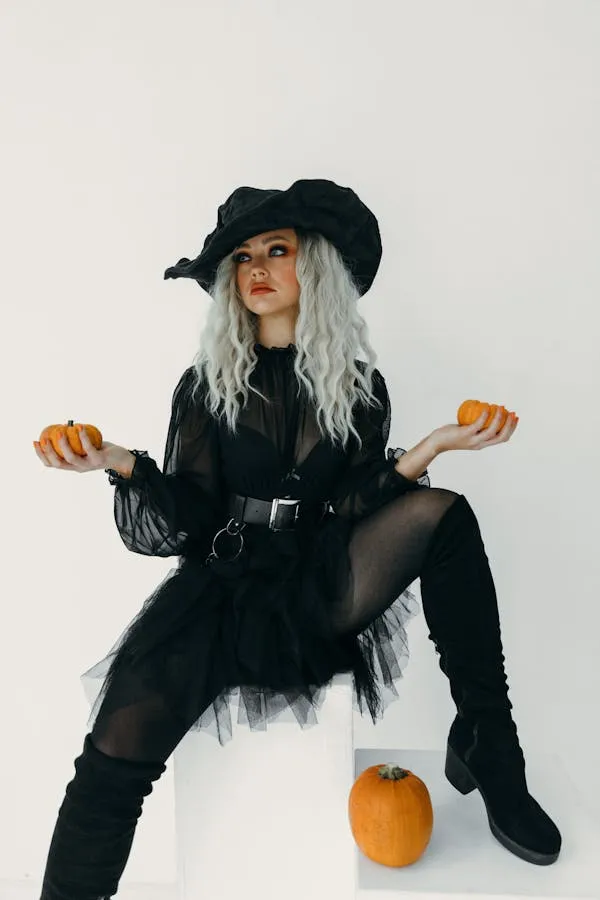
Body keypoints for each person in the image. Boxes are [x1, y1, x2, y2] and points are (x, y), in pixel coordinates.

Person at [33, 178, 561, 899]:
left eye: (276, 251)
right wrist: (121, 464)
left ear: (314, 265)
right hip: (223, 587)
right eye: (243, 257)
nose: (256, 268)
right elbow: (187, 520)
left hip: (319, 581)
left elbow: (353, 507)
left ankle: (491, 744)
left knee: (444, 513)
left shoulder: (361, 388)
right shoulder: (206, 386)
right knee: (113, 750)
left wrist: (430, 447)